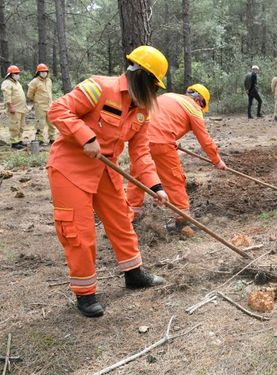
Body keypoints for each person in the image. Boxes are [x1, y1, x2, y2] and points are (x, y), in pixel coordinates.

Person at [47, 45, 170, 318]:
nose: (155, 93)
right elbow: (57, 110)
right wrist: (85, 137)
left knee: (121, 221)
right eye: (154, 86)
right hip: (71, 169)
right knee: (79, 232)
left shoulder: (141, 111)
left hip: (107, 170)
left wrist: (157, 187)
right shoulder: (98, 87)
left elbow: (141, 153)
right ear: (142, 77)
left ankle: (133, 273)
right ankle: (85, 293)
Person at [127, 84, 225, 234]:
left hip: (139, 140)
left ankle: (131, 218)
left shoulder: (168, 96)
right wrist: (217, 160)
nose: (200, 108)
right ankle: (182, 221)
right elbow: (204, 139)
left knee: (137, 178)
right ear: (198, 99)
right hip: (162, 142)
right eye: (202, 105)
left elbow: (160, 120)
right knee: (174, 179)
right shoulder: (193, 108)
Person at [27, 64, 55, 145]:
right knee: (40, 123)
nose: (44, 73)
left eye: (45, 71)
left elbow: (50, 92)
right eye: (42, 72)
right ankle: (40, 139)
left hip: (50, 105)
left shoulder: (49, 80)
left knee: (51, 123)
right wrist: (37, 101)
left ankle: (52, 138)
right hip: (40, 106)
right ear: (38, 72)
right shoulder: (34, 82)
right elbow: (29, 94)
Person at [1, 65, 27, 149]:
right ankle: (14, 142)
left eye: (18, 73)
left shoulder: (17, 83)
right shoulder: (7, 83)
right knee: (14, 125)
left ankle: (19, 140)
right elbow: (7, 96)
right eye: (16, 73)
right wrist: (10, 107)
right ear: (10, 74)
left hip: (21, 108)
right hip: (14, 108)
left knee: (21, 125)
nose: (17, 74)